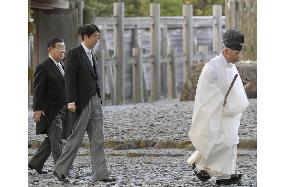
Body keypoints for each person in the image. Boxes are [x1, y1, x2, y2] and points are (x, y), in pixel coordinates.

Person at [53, 24, 115, 183]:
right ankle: (60, 170)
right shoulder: (74, 53)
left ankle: (101, 174)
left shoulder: (92, 54)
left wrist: (98, 98)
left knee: (98, 139)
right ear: (85, 37)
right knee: (76, 139)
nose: (97, 40)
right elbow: (69, 79)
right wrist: (71, 101)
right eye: (95, 36)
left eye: (98, 37)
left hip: (95, 100)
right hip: (81, 102)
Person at [187, 29, 249, 186]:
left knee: (229, 142)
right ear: (226, 51)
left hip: (230, 112)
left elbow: (235, 88)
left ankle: (216, 173)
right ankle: (210, 172)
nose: (238, 56)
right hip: (216, 111)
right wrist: (220, 101)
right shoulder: (212, 67)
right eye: (236, 53)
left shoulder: (230, 66)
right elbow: (205, 92)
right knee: (219, 141)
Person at [28, 38, 66, 174]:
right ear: (50, 50)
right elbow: (38, 89)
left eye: (64, 47)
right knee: (57, 141)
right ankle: (61, 170)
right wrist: (37, 109)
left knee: (53, 139)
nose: (63, 50)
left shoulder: (62, 65)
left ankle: (35, 163)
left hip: (62, 110)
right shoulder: (43, 66)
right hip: (49, 111)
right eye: (59, 47)